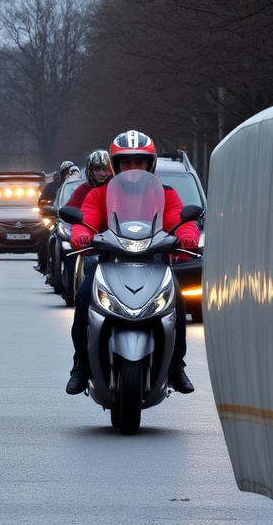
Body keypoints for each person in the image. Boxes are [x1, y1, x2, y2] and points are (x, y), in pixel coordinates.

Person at [65, 131, 200, 396]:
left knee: (179, 302)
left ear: (151, 163)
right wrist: (81, 234)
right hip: (110, 262)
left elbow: (179, 219)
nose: (133, 168)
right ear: (115, 165)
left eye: (139, 162)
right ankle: (80, 364)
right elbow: (88, 218)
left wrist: (186, 236)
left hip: (156, 262)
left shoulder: (166, 193)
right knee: (82, 299)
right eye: (126, 163)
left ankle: (176, 365)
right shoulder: (99, 194)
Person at [36, 160, 79, 274]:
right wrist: (48, 210)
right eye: (66, 172)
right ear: (61, 174)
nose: (69, 175)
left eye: (72, 172)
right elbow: (43, 203)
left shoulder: (82, 186)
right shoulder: (53, 187)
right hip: (58, 220)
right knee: (46, 236)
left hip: (80, 221)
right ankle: (45, 265)